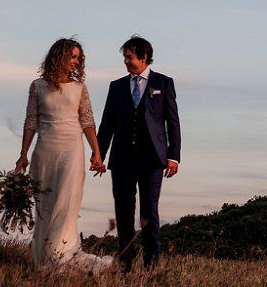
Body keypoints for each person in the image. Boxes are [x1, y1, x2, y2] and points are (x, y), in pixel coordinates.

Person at [14, 38, 113, 271]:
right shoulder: (37, 86)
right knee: (45, 205)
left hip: (72, 149)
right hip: (45, 149)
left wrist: (96, 154)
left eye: (78, 58)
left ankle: (61, 257)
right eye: (73, 56)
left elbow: (88, 122)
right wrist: (23, 155)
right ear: (59, 56)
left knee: (65, 204)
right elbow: (31, 121)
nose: (76, 61)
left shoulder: (79, 88)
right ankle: (45, 258)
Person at [96, 36, 181, 269]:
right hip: (122, 158)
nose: (126, 61)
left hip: (152, 158)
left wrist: (173, 157)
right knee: (123, 212)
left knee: (149, 212)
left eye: (129, 57)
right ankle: (126, 263)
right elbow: (107, 125)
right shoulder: (116, 86)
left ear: (143, 57)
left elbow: (172, 122)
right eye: (124, 57)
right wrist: (98, 156)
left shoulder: (163, 83)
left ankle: (151, 264)